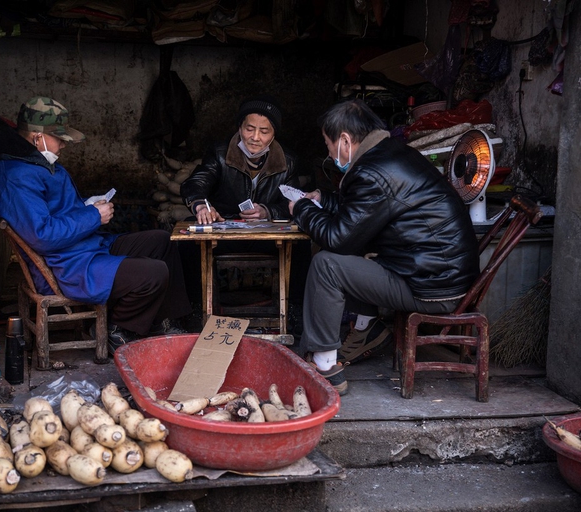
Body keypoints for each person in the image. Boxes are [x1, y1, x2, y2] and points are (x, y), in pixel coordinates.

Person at [289, 99, 480, 396]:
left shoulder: (372, 172)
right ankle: (368, 330)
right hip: (442, 276)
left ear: (345, 140)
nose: (328, 153)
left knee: (327, 264)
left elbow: (339, 238)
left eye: (328, 145)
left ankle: (325, 365)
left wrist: (301, 208)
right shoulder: (392, 155)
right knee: (349, 251)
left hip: (433, 289)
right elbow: (364, 213)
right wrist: (322, 200)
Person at [0, 96, 192, 353]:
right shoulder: (15, 177)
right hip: (64, 266)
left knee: (161, 240)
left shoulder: (33, 161)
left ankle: (166, 322)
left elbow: (53, 210)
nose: (63, 146)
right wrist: (93, 216)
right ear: (37, 138)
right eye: (59, 139)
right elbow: (43, 235)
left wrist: (85, 205)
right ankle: (117, 328)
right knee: (153, 273)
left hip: (84, 247)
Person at [179, 95, 311, 306]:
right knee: (190, 240)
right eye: (249, 129)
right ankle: (197, 309)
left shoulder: (288, 161)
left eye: (264, 131)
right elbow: (195, 183)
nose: (255, 137)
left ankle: (293, 310)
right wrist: (201, 204)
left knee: (300, 243)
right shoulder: (220, 154)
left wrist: (268, 211)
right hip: (225, 233)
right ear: (240, 128)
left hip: (266, 237)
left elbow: (294, 203)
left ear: (274, 134)